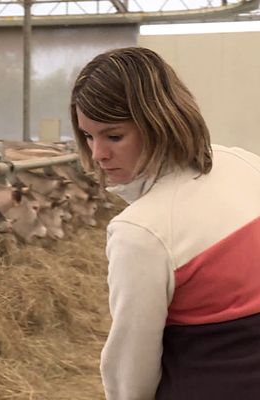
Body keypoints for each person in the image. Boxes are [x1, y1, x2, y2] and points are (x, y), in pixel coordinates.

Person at [70, 46, 260, 400]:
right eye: (87, 136)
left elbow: (132, 370)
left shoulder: (141, 232)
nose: (97, 154)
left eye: (113, 136)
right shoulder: (245, 163)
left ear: (159, 122)